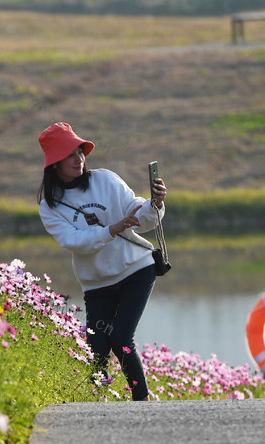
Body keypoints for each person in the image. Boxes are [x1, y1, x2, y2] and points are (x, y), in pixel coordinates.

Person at [36, 122, 167, 401]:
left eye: (80, 152)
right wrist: (112, 229)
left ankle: (142, 401)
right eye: (70, 154)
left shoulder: (105, 180)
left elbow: (138, 216)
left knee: (120, 339)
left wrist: (154, 205)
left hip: (136, 271)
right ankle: (98, 405)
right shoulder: (49, 207)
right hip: (97, 284)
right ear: (54, 164)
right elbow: (75, 243)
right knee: (96, 347)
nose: (79, 159)